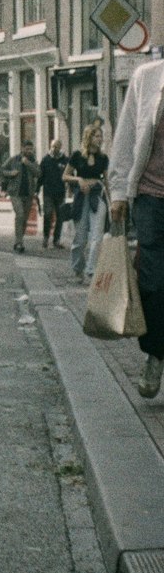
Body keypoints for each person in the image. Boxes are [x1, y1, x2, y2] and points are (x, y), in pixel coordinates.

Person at [108, 60, 164, 400]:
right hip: (151, 197)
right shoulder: (147, 77)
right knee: (153, 284)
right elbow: (126, 135)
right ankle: (155, 356)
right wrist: (118, 191)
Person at [64, 122, 108, 283]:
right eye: (97, 136)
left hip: (98, 195)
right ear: (89, 137)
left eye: (101, 136)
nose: (100, 139)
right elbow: (65, 176)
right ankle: (78, 270)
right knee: (80, 237)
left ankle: (91, 271)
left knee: (97, 236)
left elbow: (107, 179)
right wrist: (79, 179)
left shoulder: (103, 158)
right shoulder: (77, 155)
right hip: (82, 197)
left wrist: (112, 201)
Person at [3, 140, 38, 253]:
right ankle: (19, 242)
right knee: (20, 214)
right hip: (15, 193)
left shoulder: (32, 160)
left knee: (24, 218)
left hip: (28, 193)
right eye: (27, 149)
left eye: (31, 149)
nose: (29, 151)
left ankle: (19, 240)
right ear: (22, 148)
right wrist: (11, 173)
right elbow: (2, 169)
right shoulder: (14, 159)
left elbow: (38, 173)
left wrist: (28, 163)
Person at [37, 138, 68, 249]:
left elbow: (69, 174)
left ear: (60, 147)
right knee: (48, 214)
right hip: (48, 193)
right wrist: (37, 189)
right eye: (52, 146)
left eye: (56, 147)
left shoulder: (65, 160)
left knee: (60, 216)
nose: (54, 149)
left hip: (60, 192)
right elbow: (41, 176)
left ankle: (56, 240)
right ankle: (46, 237)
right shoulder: (46, 160)